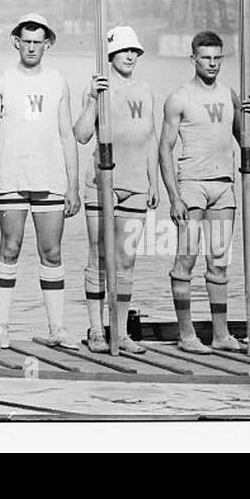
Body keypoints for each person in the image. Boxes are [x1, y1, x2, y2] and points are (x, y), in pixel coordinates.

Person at [0, 13, 80, 349]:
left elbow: (68, 134)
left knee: (51, 252)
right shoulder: (2, 80)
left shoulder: (57, 80)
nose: (31, 47)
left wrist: (74, 185)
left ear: (47, 44)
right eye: (25, 41)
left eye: (37, 42)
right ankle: (3, 325)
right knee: (9, 248)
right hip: (12, 176)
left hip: (50, 177)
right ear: (16, 42)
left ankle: (57, 329)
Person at [158, 29, 250, 353]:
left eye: (217, 58)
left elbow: (248, 144)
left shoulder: (230, 95)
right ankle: (186, 336)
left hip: (223, 186)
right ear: (194, 59)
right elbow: (165, 149)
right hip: (192, 187)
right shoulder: (180, 97)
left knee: (218, 263)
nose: (212, 64)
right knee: (185, 260)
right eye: (206, 58)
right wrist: (173, 197)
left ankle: (221, 335)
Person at [73, 25, 159, 354]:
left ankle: (120, 332)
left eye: (134, 51)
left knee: (126, 261)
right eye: (123, 51)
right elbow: (81, 134)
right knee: (98, 257)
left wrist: (153, 181)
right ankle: (97, 330)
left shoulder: (145, 88)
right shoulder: (98, 88)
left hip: (135, 185)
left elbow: (150, 137)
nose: (129, 56)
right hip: (102, 183)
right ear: (111, 55)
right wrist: (95, 99)